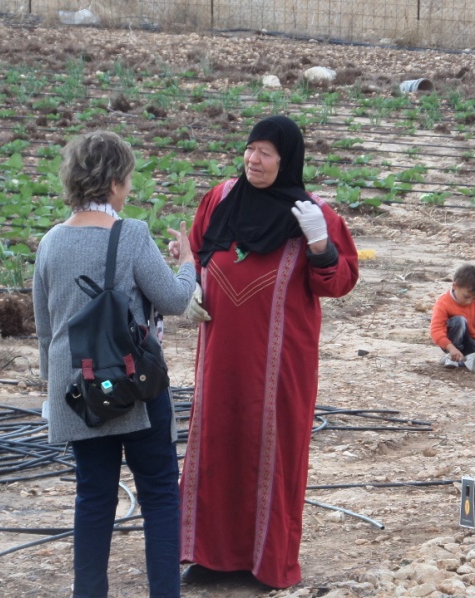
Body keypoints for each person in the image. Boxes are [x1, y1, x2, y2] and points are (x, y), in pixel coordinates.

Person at [174, 115, 359, 589]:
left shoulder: (312, 214)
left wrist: (320, 244)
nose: (253, 160)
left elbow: (339, 283)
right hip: (220, 356)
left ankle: (265, 563)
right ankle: (212, 558)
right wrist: (190, 283)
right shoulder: (220, 198)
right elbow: (198, 249)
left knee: (269, 449)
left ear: (287, 159)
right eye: (249, 149)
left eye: (266, 153)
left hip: (280, 364)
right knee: (217, 440)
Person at [32, 130, 196, 598]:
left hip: (80, 391)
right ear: (116, 181)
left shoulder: (50, 242)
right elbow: (176, 299)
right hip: (135, 387)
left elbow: (47, 331)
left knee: (94, 499)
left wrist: (50, 396)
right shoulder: (132, 234)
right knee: (160, 495)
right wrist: (188, 262)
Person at [429, 263, 475, 370]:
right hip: (451, 342)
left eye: (474, 298)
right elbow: (436, 330)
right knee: (460, 320)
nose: (470, 301)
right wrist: (451, 348)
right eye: (466, 297)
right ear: (455, 286)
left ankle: (459, 361)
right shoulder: (443, 303)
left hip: (471, 340)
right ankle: (452, 356)